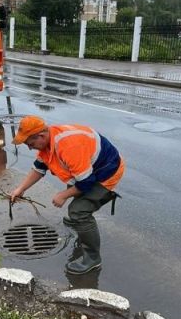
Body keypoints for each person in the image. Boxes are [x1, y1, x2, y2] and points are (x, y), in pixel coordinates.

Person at [9, 116, 125, 275]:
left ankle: (93, 259)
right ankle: (80, 223)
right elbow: (39, 168)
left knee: (78, 211)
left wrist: (63, 195)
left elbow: (86, 183)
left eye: (31, 144)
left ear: (41, 136)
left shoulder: (68, 147)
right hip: (86, 170)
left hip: (106, 173)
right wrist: (20, 189)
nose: (30, 148)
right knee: (76, 191)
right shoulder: (48, 142)